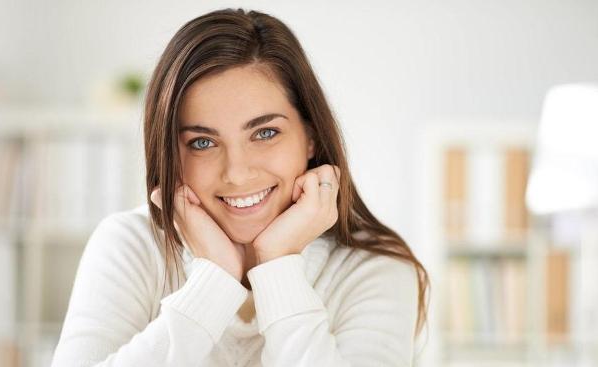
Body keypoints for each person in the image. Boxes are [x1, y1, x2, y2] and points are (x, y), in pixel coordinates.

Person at [51, 8, 430, 367]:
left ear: (310, 135)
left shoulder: (373, 269)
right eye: (202, 142)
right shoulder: (131, 246)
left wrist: (279, 265)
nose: (237, 173)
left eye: (265, 133)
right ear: (170, 153)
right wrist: (214, 278)